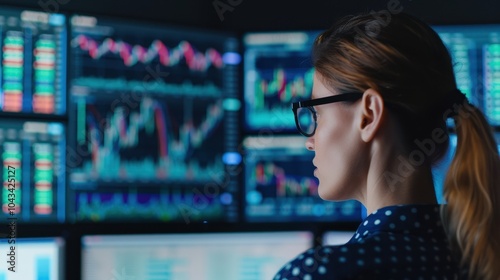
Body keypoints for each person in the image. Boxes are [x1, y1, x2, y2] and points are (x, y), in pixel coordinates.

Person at [273, 12, 500, 280]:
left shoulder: (322, 273)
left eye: (317, 114)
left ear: (369, 114)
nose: (310, 142)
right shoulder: (477, 263)